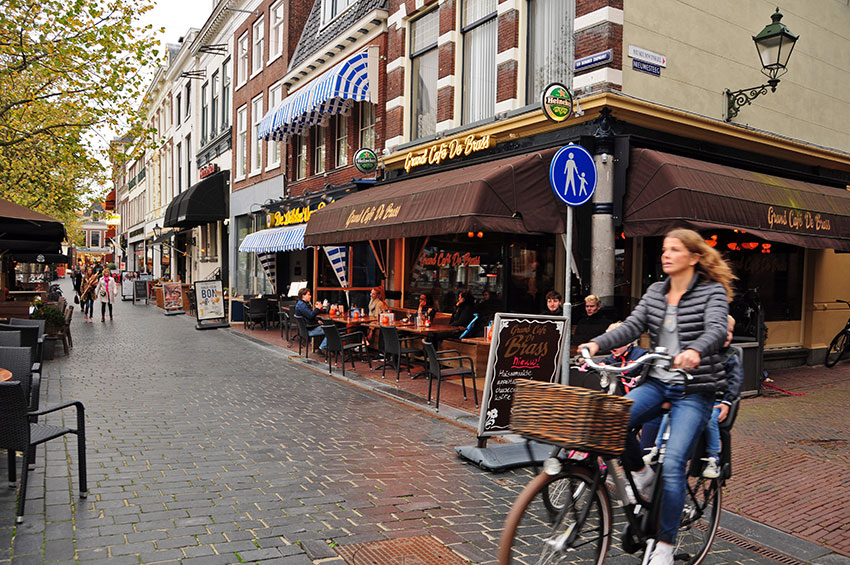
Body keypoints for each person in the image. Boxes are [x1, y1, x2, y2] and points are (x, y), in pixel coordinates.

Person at [579, 228, 734, 565]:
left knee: (676, 463)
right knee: (612, 422)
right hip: (659, 381)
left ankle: (665, 545)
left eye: (675, 250)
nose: (666, 254)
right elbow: (631, 327)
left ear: (694, 257)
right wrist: (596, 344)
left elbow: (717, 329)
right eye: (664, 249)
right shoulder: (655, 291)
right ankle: (640, 473)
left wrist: (695, 350)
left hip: (694, 389)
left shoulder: (712, 293)